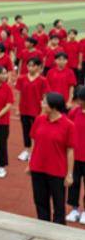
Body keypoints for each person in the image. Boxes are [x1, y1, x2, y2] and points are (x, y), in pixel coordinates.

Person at [27, 92, 75, 224]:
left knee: (59, 205)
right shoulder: (39, 120)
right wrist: (30, 163)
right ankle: (43, 227)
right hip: (38, 168)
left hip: (57, 171)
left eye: (44, 102)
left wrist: (70, 174)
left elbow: (70, 150)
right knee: (40, 202)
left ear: (53, 107)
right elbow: (34, 141)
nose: (41, 104)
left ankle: (58, 231)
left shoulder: (68, 125)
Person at [15, 57, 48, 162]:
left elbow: (45, 96)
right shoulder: (22, 78)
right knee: (26, 130)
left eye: (33, 65)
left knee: (37, 132)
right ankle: (27, 149)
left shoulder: (43, 80)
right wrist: (17, 107)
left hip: (37, 110)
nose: (30, 67)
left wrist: (44, 111)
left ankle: (35, 151)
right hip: (24, 109)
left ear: (38, 67)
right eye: (28, 65)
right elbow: (18, 94)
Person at [66, 86, 85, 223]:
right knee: (74, 183)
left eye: (80, 99)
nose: (78, 101)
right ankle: (74, 209)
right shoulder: (74, 112)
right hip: (75, 156)